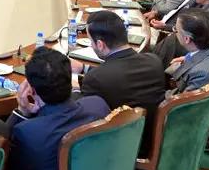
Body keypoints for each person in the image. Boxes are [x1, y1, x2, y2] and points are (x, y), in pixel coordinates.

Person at [5, 47, 110, 170]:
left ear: (31, 90)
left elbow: (2, 165)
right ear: (70, 80)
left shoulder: (27, 132)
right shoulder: (98, 105)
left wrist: (21, 112)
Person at [71, 11, 166, 152]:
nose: (91, 45)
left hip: (117, 150)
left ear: (100, 44)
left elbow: (82, 117)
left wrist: (74, 85)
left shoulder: (95, 79)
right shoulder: (154, 61)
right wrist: (85, 67)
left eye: (91, 41)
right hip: (153, 142)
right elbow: (122, 75)